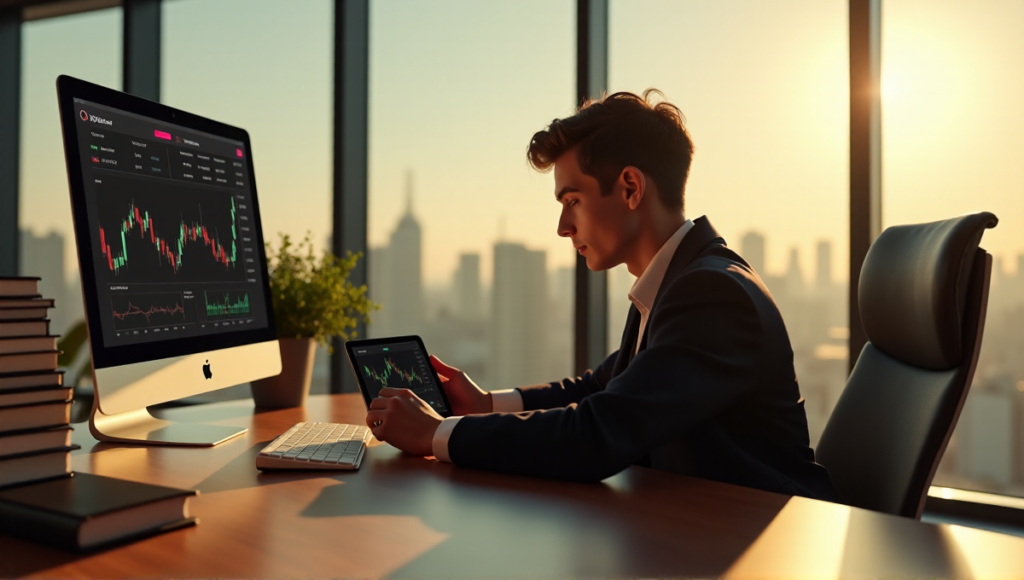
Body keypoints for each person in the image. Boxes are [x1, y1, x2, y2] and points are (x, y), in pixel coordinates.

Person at [366, 89, 838, 501]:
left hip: (765, 545)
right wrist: (485, 402)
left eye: (573, 201)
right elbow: (599, 389)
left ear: (630, 187)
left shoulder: (711, 294)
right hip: (701, 529)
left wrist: (436, 433)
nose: (562, 227)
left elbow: (597, 435)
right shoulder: (676, 281)